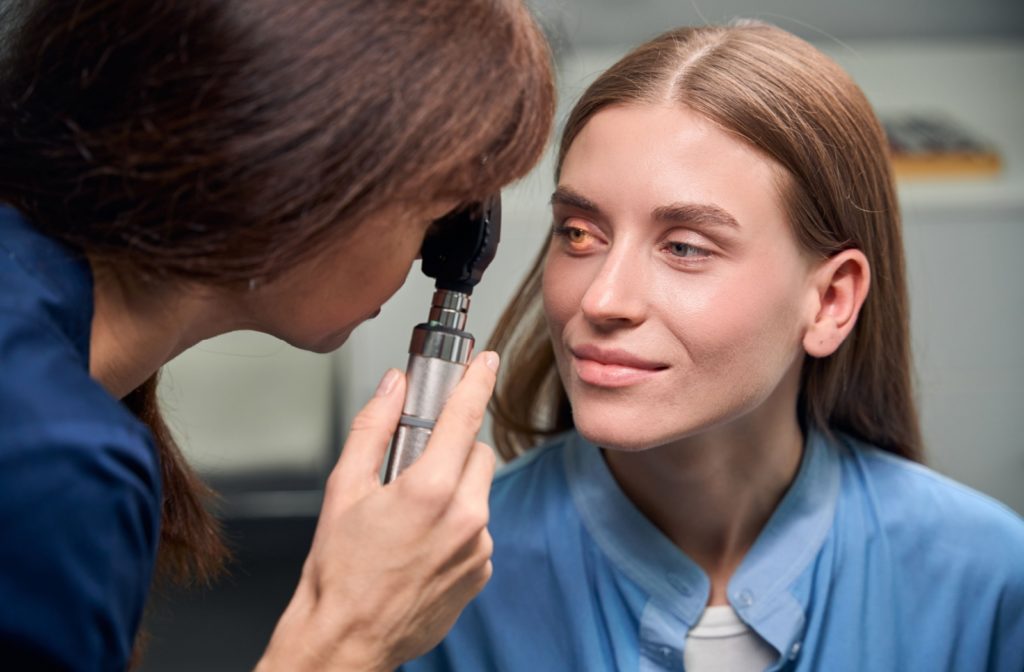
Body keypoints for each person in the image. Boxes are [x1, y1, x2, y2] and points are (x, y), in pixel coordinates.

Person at [401, 21, 1024, 672]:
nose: (602, 300)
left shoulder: (988, 579)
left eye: (685, 247)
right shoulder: (443, 575)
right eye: (580, 234)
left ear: (832, 300)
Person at [0, 0, 553, 669]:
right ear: (297, 175)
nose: (430, 256)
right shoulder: (54, 464)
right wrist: (351, 633)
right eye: (435, 209)